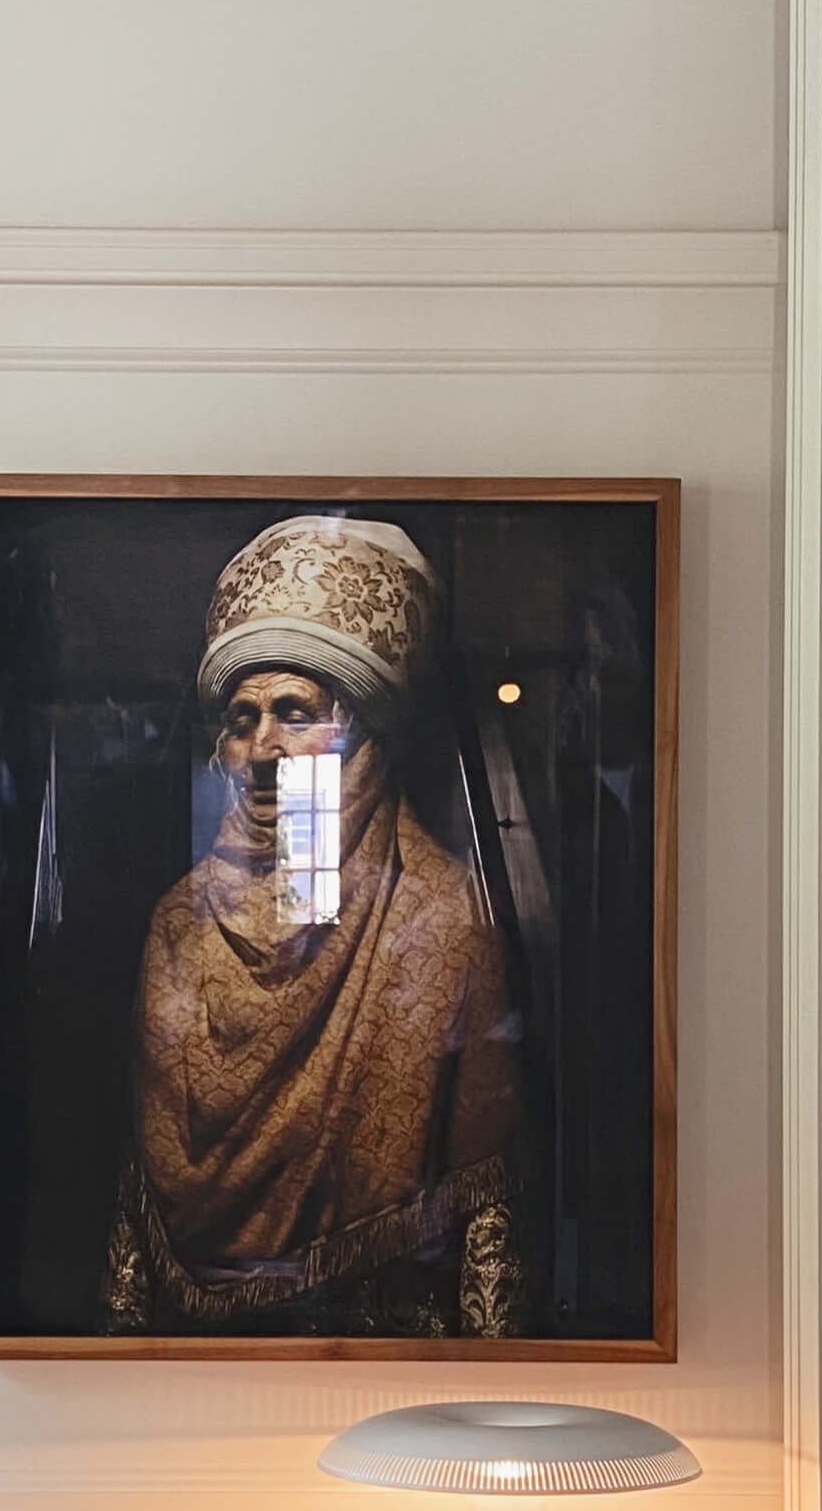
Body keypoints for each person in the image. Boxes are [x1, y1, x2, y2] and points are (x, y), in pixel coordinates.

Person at [102, 514, 525, 1337]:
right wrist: (122, 1337)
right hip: (192, 1356)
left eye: (296, 712)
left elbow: (486, 1177)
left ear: (362, 735)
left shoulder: (438, 916)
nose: (263, 747)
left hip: (384, 1344)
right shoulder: (178, 924)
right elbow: (141, 1175)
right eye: (240, 719)